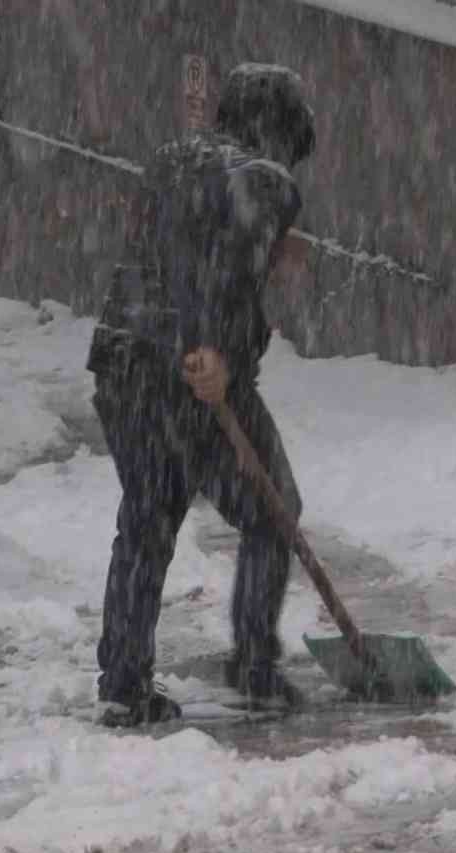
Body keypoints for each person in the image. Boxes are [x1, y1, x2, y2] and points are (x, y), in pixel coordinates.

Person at [85, 63, 316, 727]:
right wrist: (214, 345)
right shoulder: (263, 181)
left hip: (125, 358)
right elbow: (225, 267)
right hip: (191, 370)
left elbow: (180, 251)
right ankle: (253, 663)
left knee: (148, 519)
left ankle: (125, 683)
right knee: (275, 508)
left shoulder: (173, 159)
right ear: (276, 132)